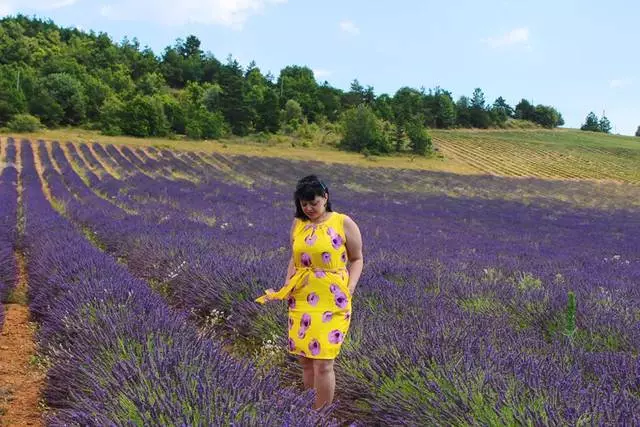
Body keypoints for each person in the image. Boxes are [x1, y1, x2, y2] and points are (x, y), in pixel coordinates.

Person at [255, 175, 363, 410]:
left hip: (333, 298)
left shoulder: (343, 222)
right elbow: (294, 260)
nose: (309, 208)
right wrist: (286, 286)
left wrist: (351, 286)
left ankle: (320, 415)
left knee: (324, 362)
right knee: (305, 360)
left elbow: (357, 259)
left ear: (325, 197)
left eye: (313, 202)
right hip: (302, 297)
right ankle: (309, 410)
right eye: (304, 204)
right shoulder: (299, 223)